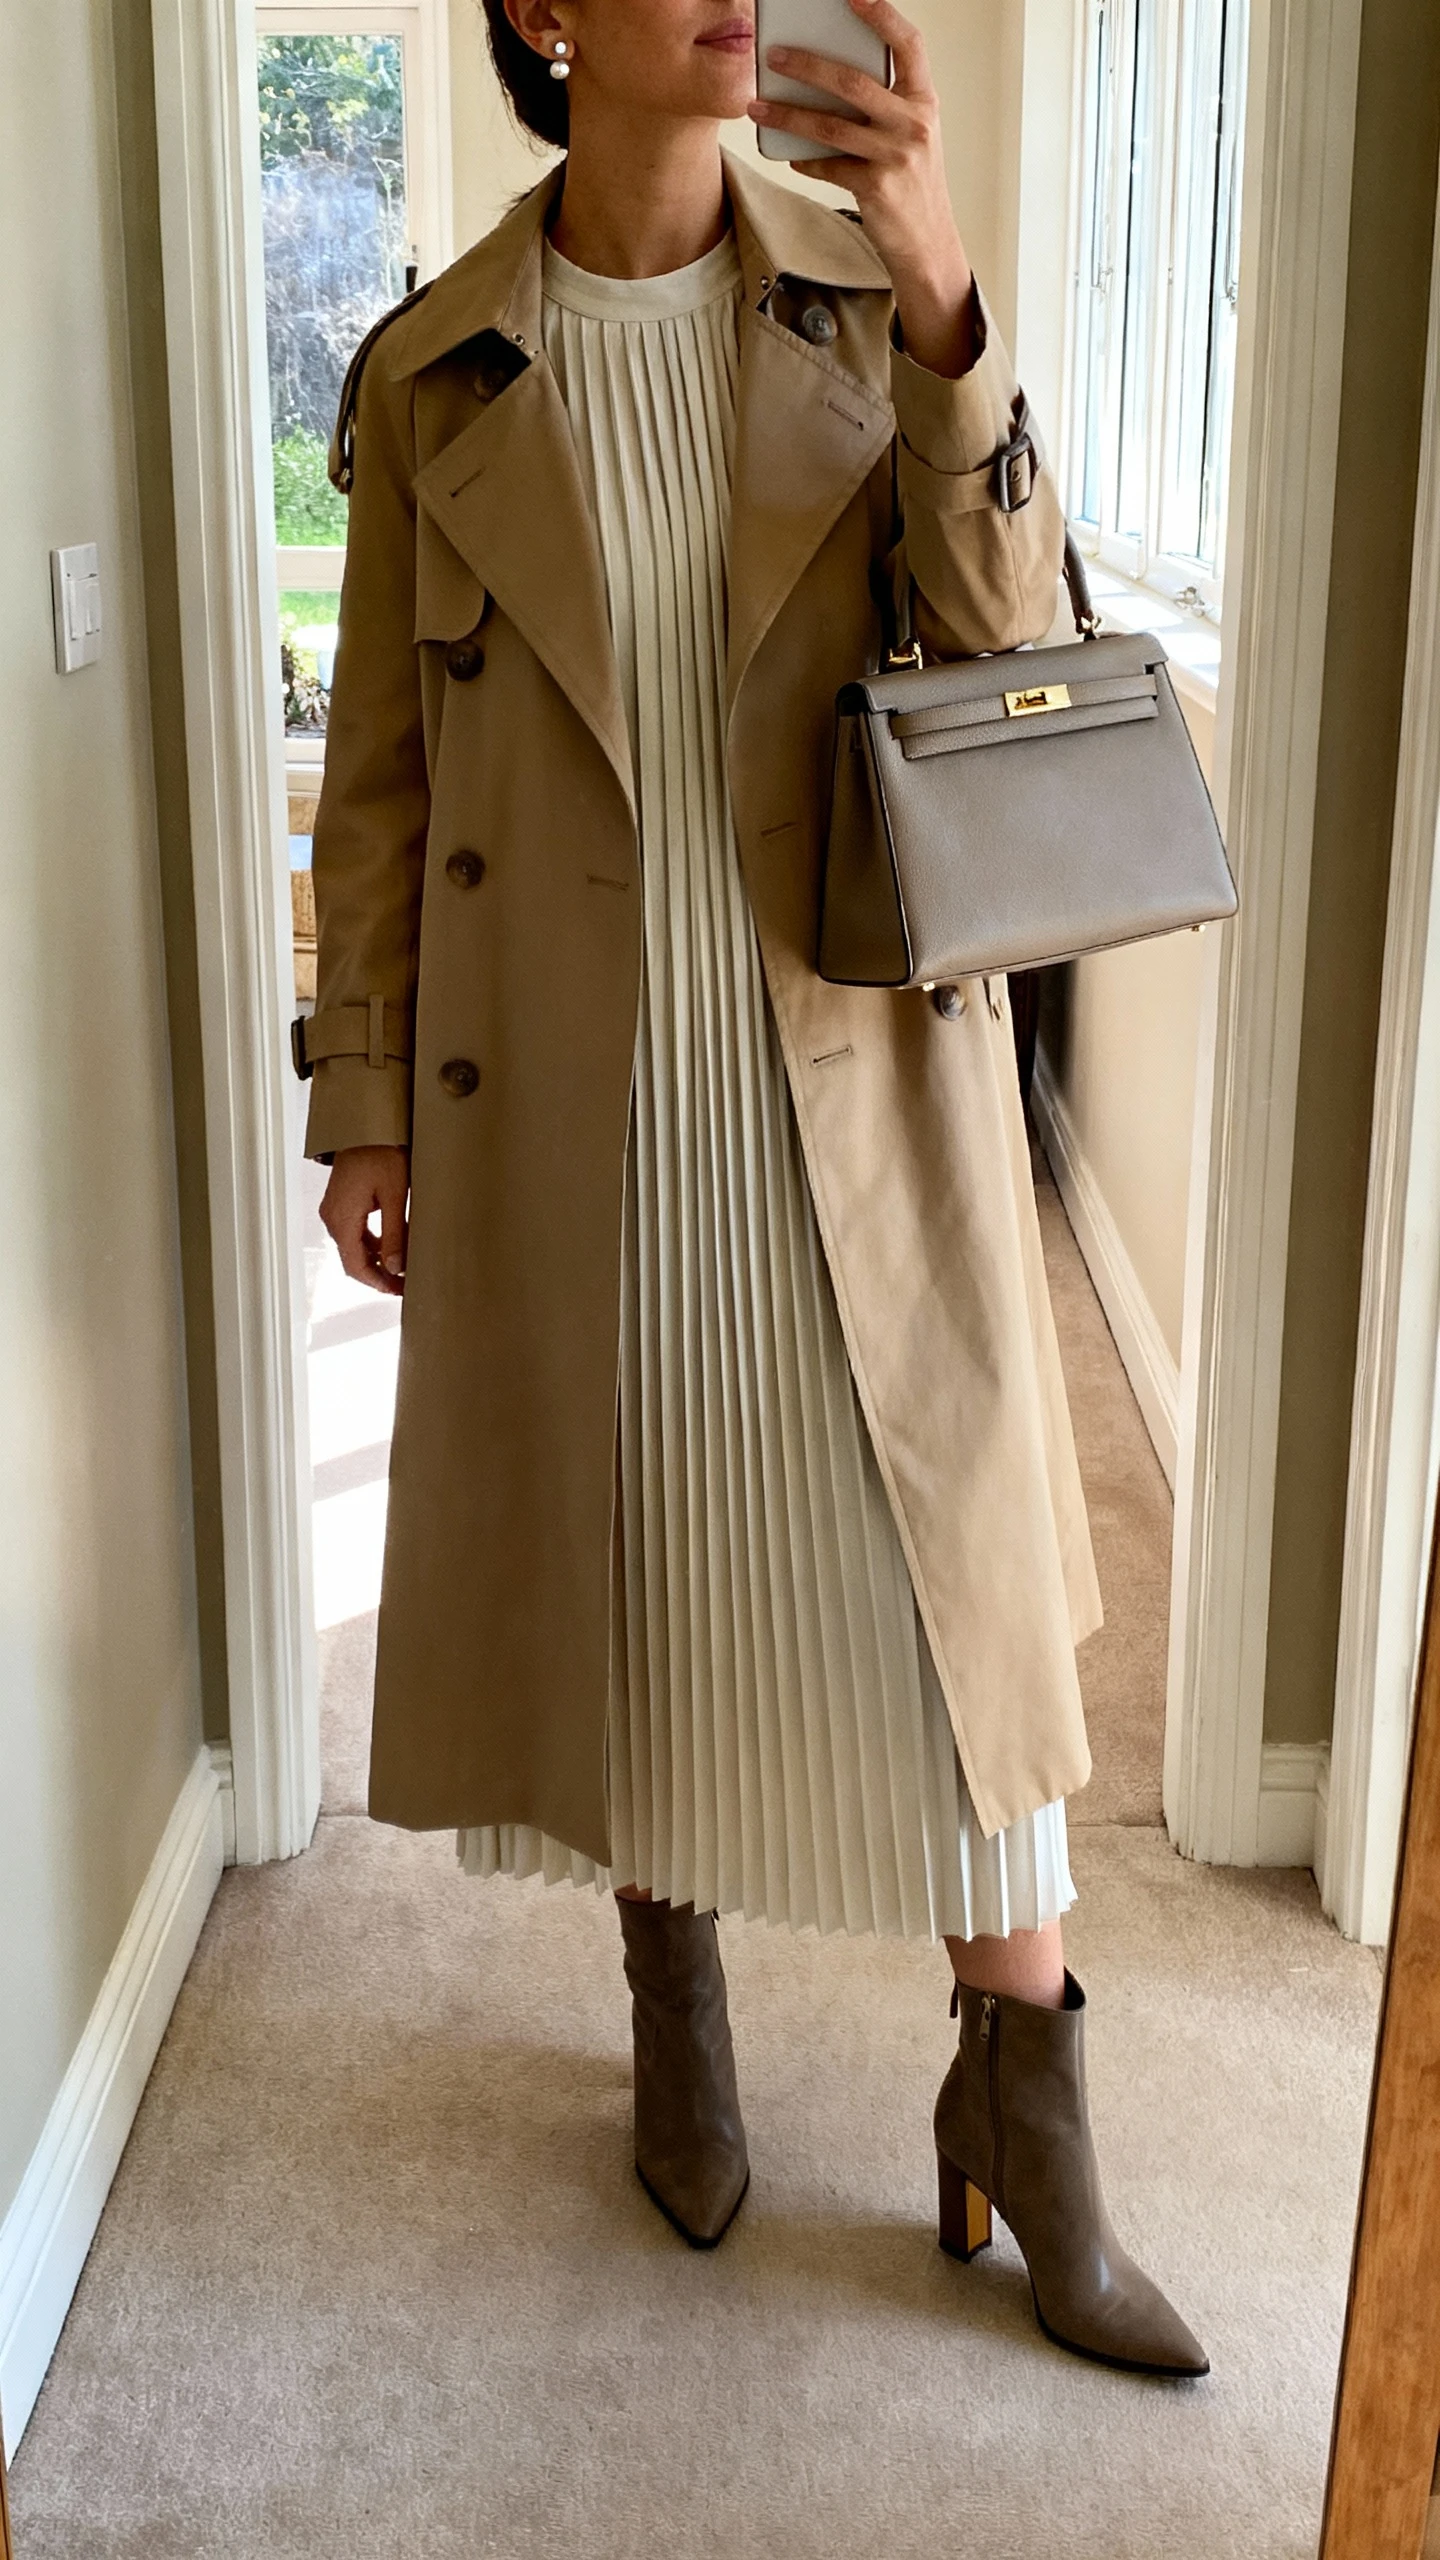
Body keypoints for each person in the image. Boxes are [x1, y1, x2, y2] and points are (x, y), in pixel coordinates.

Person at [299, 0, 1207, 2377]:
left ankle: (1029, 2100)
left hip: (850, 1067)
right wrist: (365, 1096)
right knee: (644, 1550)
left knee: (959, 1621)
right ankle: (669, 1994)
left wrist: (935, 273)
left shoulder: (859, 296)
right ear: (542, 15)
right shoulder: (428, 377)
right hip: (573, 1092)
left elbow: (1014, 646)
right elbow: (380, 788)